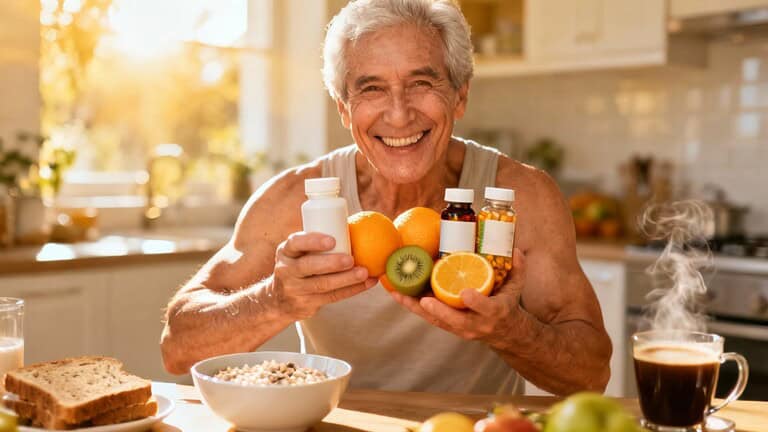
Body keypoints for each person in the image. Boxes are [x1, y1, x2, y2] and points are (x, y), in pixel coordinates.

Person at [160, 0, 611, 396]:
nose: (398, 114)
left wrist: (511, 330)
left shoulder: (517, 198)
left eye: (421, 83)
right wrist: (275, 300)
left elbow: (592, 373)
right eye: (372, 88)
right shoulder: (296, 198)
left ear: (459, 96)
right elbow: (177, 347)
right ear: (343, 108)